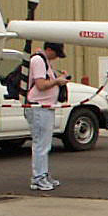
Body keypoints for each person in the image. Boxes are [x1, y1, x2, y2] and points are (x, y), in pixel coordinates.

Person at [24, 41, 70, 191]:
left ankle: (42, 173)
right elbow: (41, 85)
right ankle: (38, 177)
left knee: (45, 144)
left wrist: (58, 77)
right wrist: (57, 81)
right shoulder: (38, 61)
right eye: (56, 54)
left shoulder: (45, 62)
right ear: (49, 50)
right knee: (41, 144)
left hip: (46, 107)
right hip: (39, 107)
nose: (56, 57)